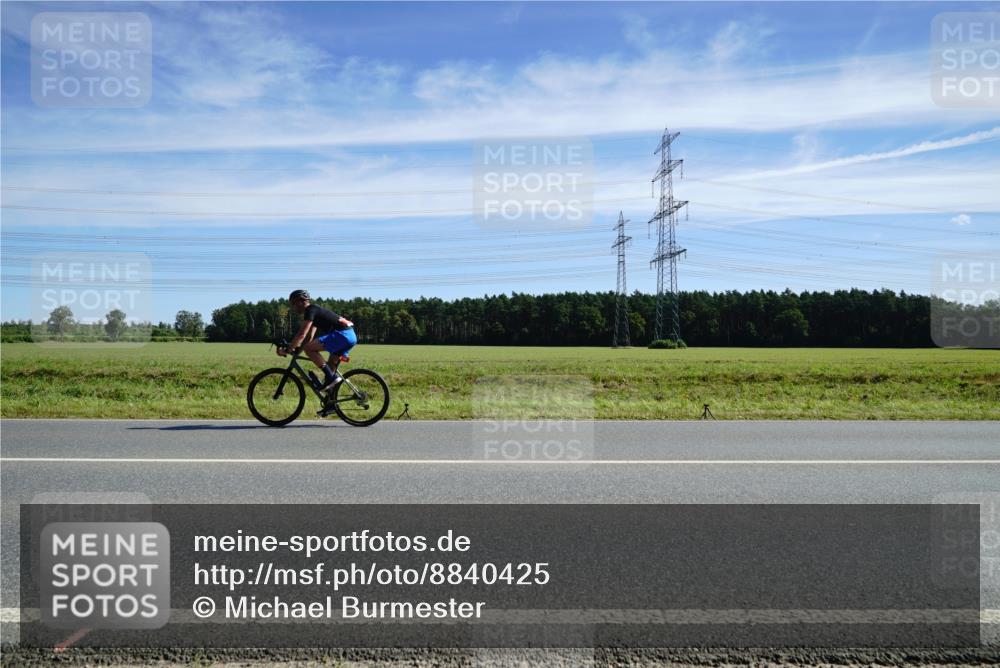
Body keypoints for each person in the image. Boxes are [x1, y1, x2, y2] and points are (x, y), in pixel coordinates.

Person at [279, 289, 356, 391]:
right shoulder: (315, 311)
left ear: (302, 301)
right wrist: (298, 350)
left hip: (342, 335)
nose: (293, 307)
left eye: (294, 303)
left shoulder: (310, 310)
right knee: (330, 376)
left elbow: (302, 334)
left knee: (309, 349)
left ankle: (331, 377)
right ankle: (331, 403)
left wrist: (288, 349)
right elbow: (309, 337)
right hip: (350, 336)